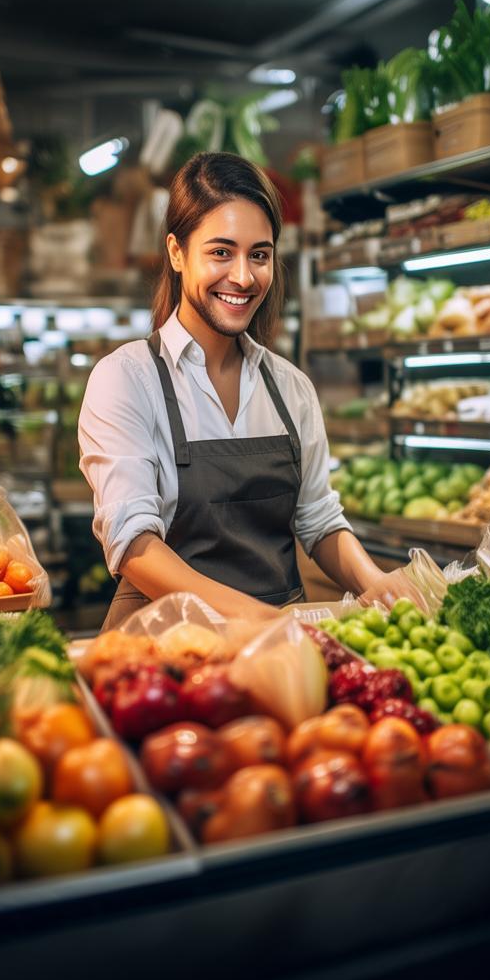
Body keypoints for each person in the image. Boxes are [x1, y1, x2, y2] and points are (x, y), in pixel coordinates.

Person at [78, 152, 421, 632]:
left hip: (281, 653)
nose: (243, 276)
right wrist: (263, 622)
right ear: (177, 253)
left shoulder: (290, 387)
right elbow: (134, 545)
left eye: (259, 255)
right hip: (165, 652)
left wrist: (374, 581)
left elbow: (318, 520)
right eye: (221, 252)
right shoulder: (127, 378)